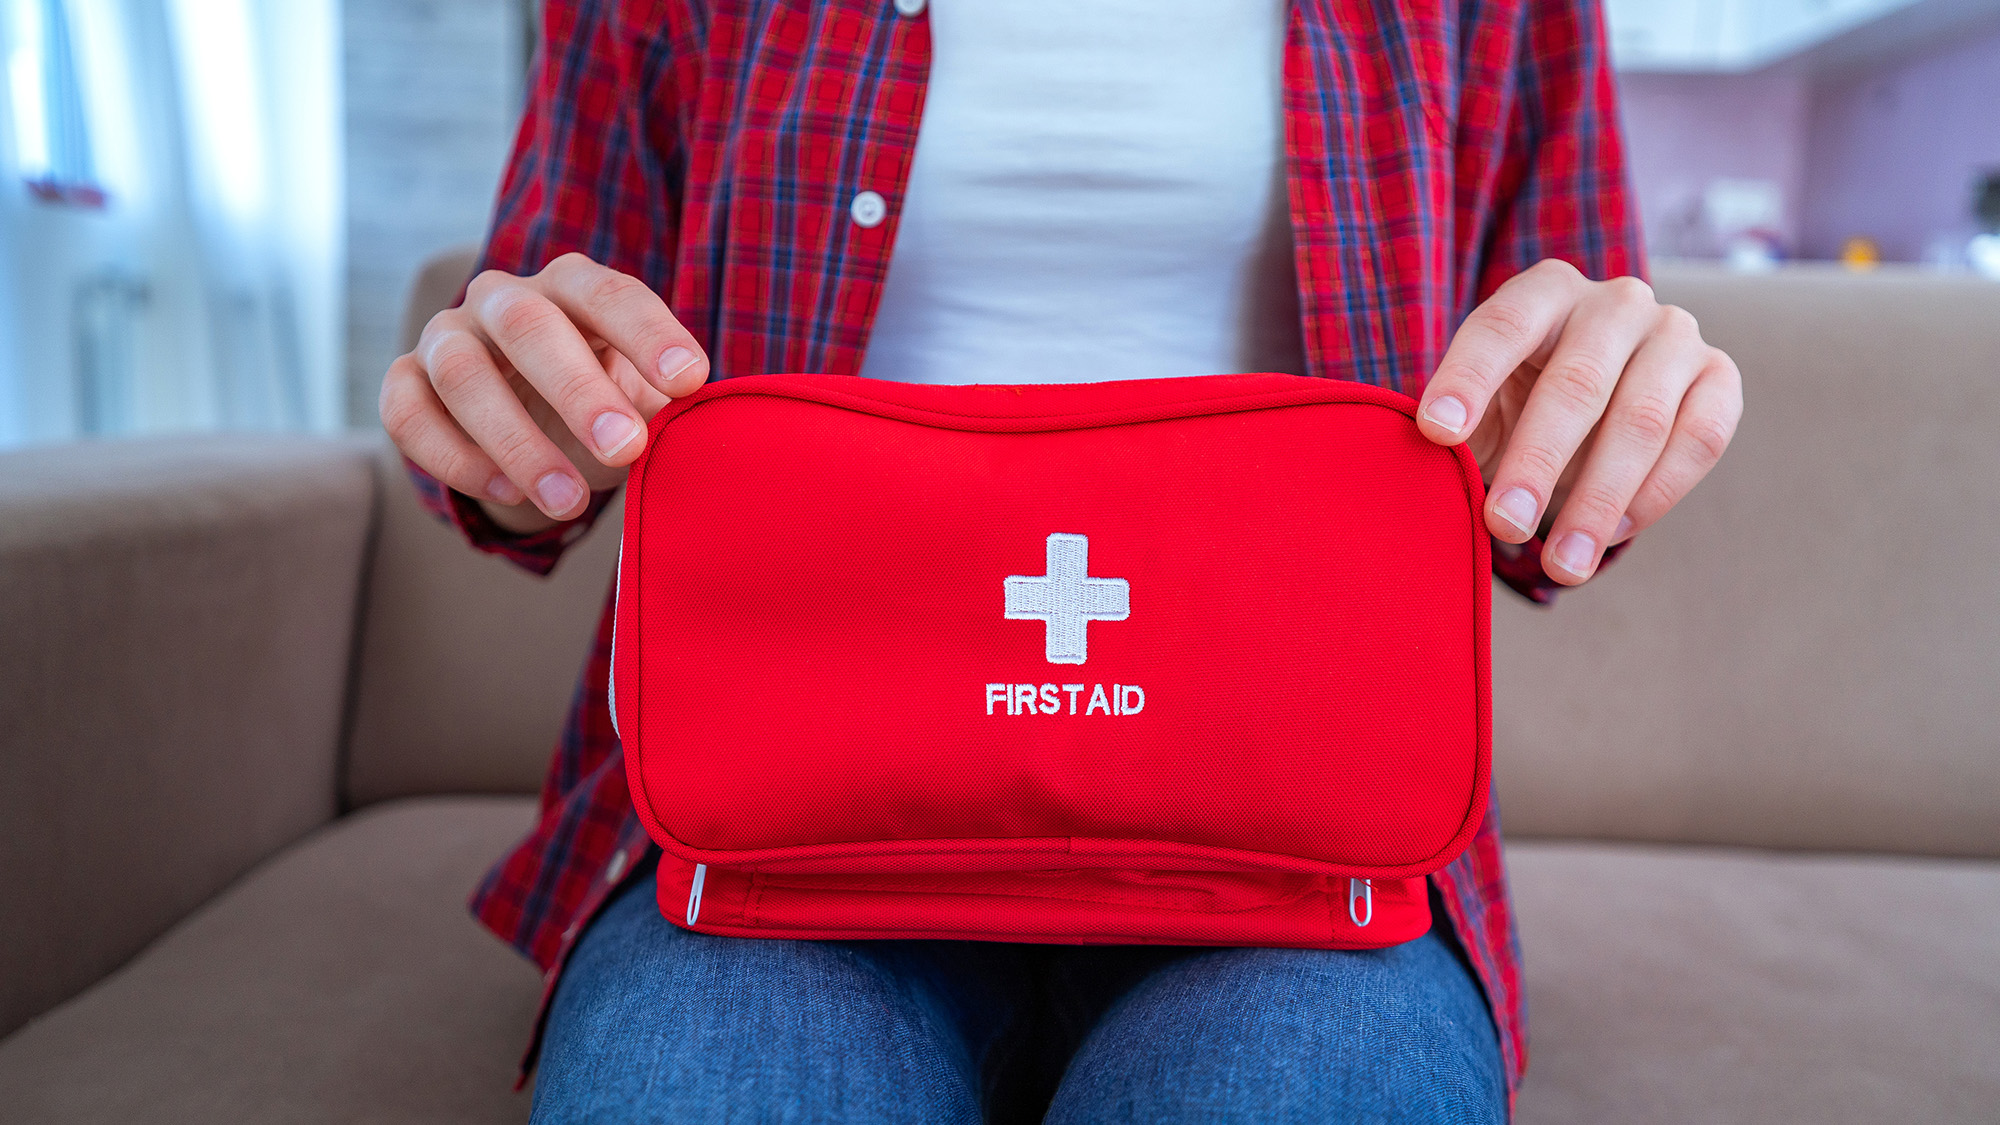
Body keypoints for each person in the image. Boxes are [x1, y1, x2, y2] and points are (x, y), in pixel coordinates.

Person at [379, 1, 1742, 1120]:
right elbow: (540, 419)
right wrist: (503, 402)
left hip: (1303, 844)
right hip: (776, 831)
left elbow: (1547, 485)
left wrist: (1619, 409)